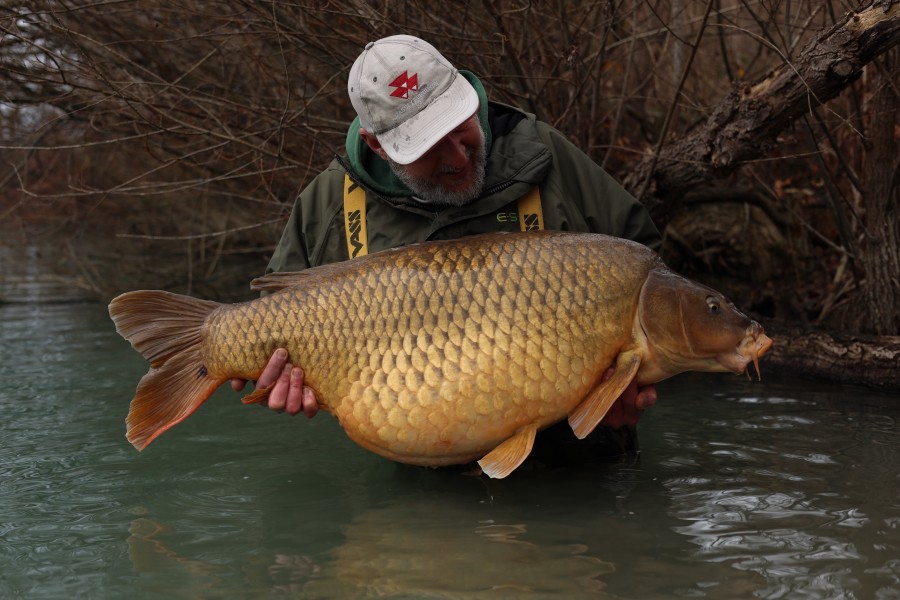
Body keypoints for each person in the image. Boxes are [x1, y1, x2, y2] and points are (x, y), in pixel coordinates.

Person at [233, 34, 660, 463]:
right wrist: (280, 379)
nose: (457, 157)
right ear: (377, 144)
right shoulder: (328, 205)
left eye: (460, 128)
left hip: (580, 461)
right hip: (422, 487)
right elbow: (278, 324)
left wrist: (628, 383)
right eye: (429, 147)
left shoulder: (545, 155)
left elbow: (651, 279)